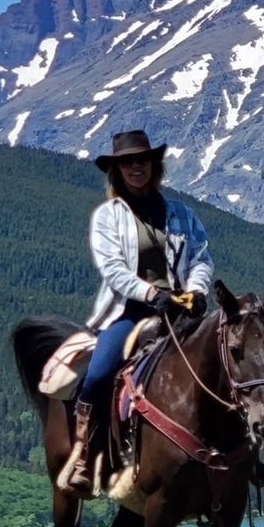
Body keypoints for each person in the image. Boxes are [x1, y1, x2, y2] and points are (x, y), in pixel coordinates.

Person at [60, 129, 216, 494]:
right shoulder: (107, 217)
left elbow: (201, 257)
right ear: (116, 170)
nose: (136, 167)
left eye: (142, 160)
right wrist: (150, 293)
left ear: (153, 164)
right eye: (127, 162)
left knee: (229, 359)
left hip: (180, 311)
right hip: (127, 313)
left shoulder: (182, 214)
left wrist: (196, 290)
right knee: (98, 374)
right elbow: (112, 269)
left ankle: (249, 452)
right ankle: (85, 455)